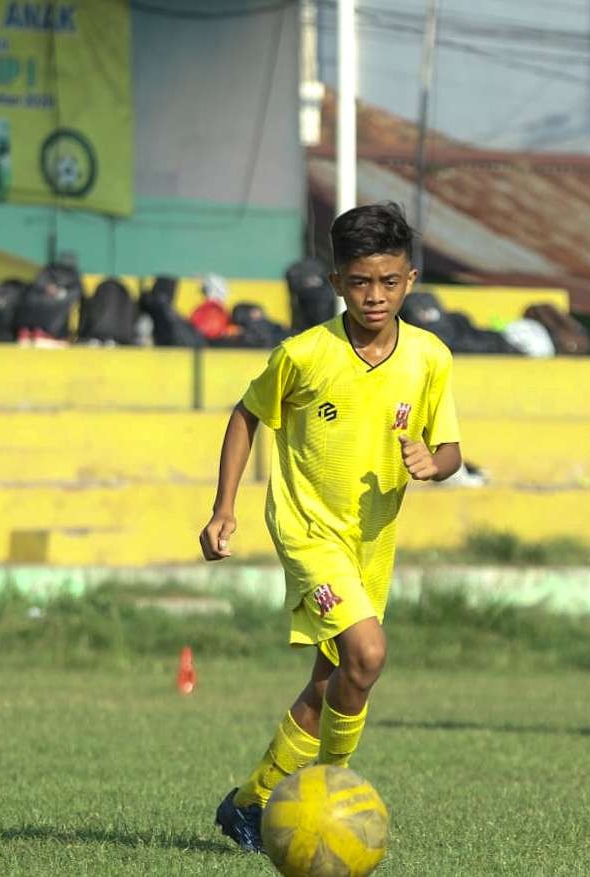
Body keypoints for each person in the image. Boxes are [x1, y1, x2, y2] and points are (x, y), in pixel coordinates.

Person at [199, 202, 462, 852]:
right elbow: (244, 414)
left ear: (410, 278)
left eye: (389, 281)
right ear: (337, 281)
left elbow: (451, 447)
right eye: (360, 282)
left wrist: (434, 462)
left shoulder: (429, 357)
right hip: (309, 530)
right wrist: (224, 507)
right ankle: (329, 790)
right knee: (367, 654)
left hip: (371, 540)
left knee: (331, 680)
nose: (375, 296)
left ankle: (249, 802)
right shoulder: (304, 354)